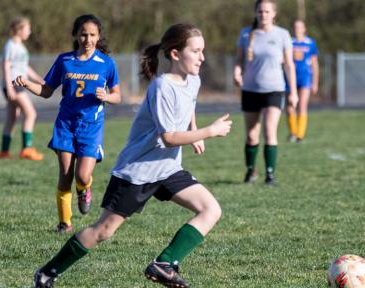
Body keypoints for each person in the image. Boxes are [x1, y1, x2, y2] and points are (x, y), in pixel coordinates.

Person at [31, 23, 232, 288]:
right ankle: (47, 273)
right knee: (103, 231)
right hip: (137, 171)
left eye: (202, 51)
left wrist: (194, 130)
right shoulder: (161, 87)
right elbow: (168, 137)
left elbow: (189, 104)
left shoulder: (193, 80)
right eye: (195, 51)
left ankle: (163, 265)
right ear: (174, 54)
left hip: (168, 168)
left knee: (211, 209)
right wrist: (208, 131)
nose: (202, 57)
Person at [12, 15, 122, 233]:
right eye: (83, 34)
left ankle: (84, 188)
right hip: (65, 124)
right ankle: (64, 223)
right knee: (65, 176)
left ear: (99, 36)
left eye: (92, 35)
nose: (87, 39)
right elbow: (46, 91)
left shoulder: (107, 64)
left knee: (82, 175)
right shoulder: (64, 60)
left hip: (91, 126)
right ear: (75, 35)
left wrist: (107, 96)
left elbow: (118, 95)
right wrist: (26, 83)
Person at [234, 0, 298, 185]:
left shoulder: (282, 34)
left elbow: (289, 65)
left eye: (267, 11)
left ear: (274, 14)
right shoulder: (246, 33)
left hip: (275, 90)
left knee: (270, 131)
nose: (263, 15)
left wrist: (293, 92)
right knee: (251, 135)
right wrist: (237, 73)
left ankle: (270, 174)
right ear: (255, 13)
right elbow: (239, 60)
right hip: (250, 90)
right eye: (260, 11)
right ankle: (250, 172)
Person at [0, 17, 46, 160]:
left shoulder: (20, 47)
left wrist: (38, 79)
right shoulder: (10, 45)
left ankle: (4, 152)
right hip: (14, 85)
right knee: (31, 114)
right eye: (27, 28)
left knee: (12, 118)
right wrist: (9, 88)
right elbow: (6, 66)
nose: (30, 31)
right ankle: (27, 149)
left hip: (16, 85)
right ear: (19, 30)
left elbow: (24, 67)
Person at [285, 19, 319, 143]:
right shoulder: (288, 42)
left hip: (305, 77)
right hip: (290, 78)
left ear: (304, 29)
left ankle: (300, 134)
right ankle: (293, 132)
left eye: (300, 27)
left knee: (302, 105)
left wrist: (315, 82)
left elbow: (315, 63)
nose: (297, 29)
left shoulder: (310, 43)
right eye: (295, 27)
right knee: (290, 106)